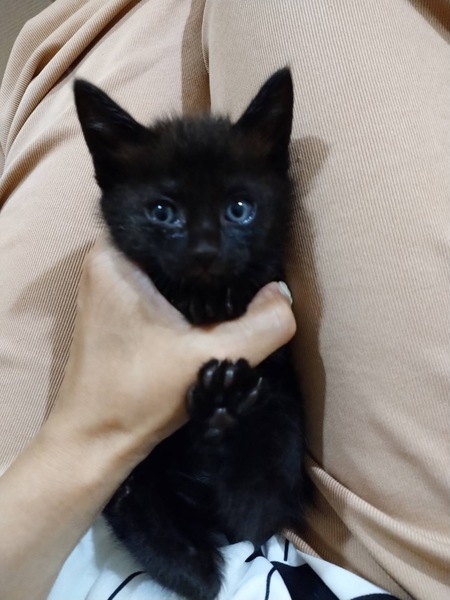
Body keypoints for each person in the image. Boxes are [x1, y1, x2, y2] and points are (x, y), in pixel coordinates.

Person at [0, 1, 448, 600]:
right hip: (262, 537)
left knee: (85, 43)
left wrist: (89, 431)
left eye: (236, 210)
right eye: (166, 213)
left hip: (70, 516)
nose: (207, 248)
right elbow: (264, 513)